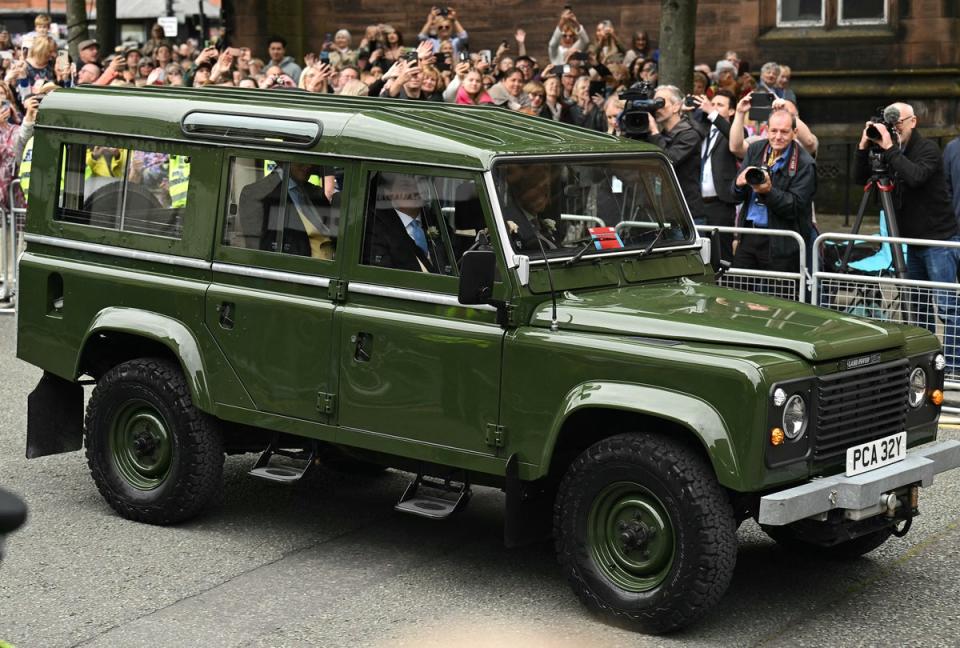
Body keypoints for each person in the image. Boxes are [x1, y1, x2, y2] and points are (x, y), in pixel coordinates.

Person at [855, 102, 960, 369]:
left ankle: (956, 366)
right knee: (917, 306)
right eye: (891, 122)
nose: (894, 127)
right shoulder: (890, 150)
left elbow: (914, 177)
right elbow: (860, 178)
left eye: (898, 121)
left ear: (913, 121)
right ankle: (923, 362)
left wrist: (890, 148)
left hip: (938, 241)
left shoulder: (928, 150)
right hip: (911, 242)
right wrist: (863, 146)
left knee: (947, 308)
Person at [732, 108, 816, 274]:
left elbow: (796, 207)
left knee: (776, 296)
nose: (778, 137)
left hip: (782, 241)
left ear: (794, 132)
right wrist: (738, 184)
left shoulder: (805, 163)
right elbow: (734, 196)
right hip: (750, 233)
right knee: (738, 292)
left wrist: (768, 192)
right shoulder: (756, 150)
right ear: (767, 130)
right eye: (774, 131)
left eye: (784, 132)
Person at [239, 162, 336, 259]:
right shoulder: (255, 194)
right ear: (283, 159)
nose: (309, 165)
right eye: (301, 157)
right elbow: (258, 254)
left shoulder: (315, 193)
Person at [690, 89, 742, 259]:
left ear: (732, 111)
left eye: (720, 105)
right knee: (698, 253)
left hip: (721, 202)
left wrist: (713, 114)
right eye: (713, 104)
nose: (713, 108)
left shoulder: (735, 131)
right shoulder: (703, 129)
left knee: (721, 253)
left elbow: (737, 142)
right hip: (698, 201)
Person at [363, 172, 446, 273]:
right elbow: (381, 274)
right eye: (406, 186)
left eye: (420, 183)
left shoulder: (438, 221)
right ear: (388, 192)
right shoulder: (375, 226)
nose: (416, 190)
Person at [645, 85, 705, 222]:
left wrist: (654, 132)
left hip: (686, 213)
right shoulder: (662, 135)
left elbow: (668, 160)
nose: (657, 108)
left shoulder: (690, 135)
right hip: (664, 212)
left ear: (676, 107)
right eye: (654, 103)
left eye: (661, 103)